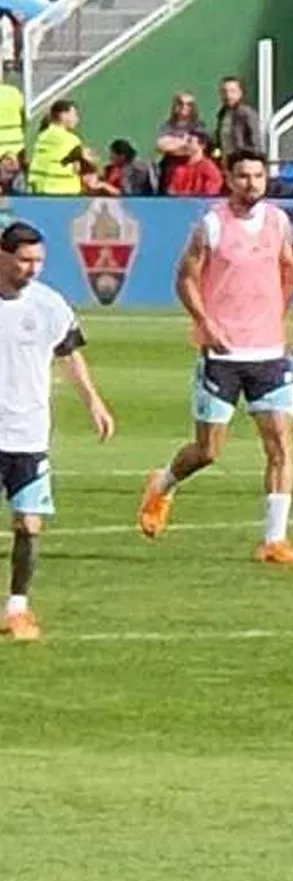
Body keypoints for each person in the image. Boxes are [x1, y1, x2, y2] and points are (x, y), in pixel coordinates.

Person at [137, 151, 293, 564]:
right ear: (229, 178)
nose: (252, 183)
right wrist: (205, 322)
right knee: (208, 451)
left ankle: (274, 539)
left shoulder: (278, 221)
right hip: (222, 352)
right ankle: (163, 483)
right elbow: (185, 279)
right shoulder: (212, 225)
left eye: (258, 176)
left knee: (280, 445)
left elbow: (284, 262)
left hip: (269, 351)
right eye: (243, 176)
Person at [0, 221, 115, 642]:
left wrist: (94, 403)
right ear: (3, 256)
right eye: (24, 260)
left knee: (29, 523)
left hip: (29, 433)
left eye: (39, 261)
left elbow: (70, 355)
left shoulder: (49, 304)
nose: (32, 269)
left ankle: (17, 608)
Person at [26, 99, 88, 195]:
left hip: (39, 189)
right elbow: (78, 167)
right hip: (63, 192)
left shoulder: (42, 136)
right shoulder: (71, 139)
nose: (77, 119)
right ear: (63, 115)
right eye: (74, 115)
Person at [154, 92, 205, 190]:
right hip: (170, 168)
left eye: (189, 104)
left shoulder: (199, 126)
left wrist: (173, 142)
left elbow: (194, 148)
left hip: (192, 169)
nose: (184, 107)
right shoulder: (167, 125)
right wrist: (184, 142)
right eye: (180, 103)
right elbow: (161, 146)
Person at [214, 76, 263, 162]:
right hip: (226, 163)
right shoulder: (222, 115)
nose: (228, 95)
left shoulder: (246, 114)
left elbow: (255, 144)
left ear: (240, 93)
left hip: (242, 162)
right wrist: (216, 156)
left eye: (232, 91)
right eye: (224, 92)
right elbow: (219, 144)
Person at [163, 131, 224, 196]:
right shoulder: (179, 168)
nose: (185, 145)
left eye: (189, 141)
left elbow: (209, 196)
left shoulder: (210, 170)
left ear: (202, 145)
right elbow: (171, 194)